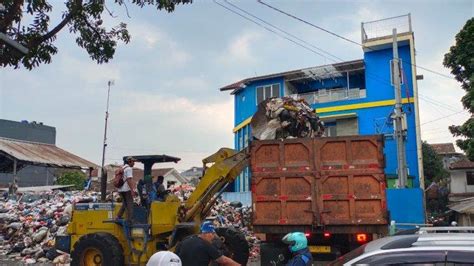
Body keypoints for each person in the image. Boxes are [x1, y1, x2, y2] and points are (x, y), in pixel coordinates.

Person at [176, 221, 240, 266]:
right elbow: (223, 260)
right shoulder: (206, 245)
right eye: (212, 234)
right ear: (207, 233)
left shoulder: (185, 240)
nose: (213, 237)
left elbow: (176, 256)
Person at [116, 156, 137, 224]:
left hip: (120, 189)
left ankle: (118, 216)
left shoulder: (122, 168)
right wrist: (132, 190)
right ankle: (131, 220)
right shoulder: (129, 169)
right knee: (130, 204)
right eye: (133, 162)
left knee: (125, 204)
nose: (134, 163)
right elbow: (129, 180)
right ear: (129, 161)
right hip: (126, 189)